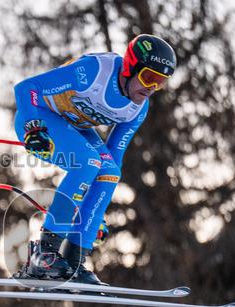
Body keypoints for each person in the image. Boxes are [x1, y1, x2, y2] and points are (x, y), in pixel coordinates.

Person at [12, 34, 176, 284]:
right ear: (131, 66)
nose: (151, 88)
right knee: (88, 162)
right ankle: (44, 255)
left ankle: (73, 259)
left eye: (160, 82)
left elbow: (114, 157)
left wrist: (95, 216)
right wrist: (34, 128)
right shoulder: (93, 72)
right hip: (38, 119)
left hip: (73, 127)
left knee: (109, 170)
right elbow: (25, 89)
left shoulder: (137, 109)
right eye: (148, 78)